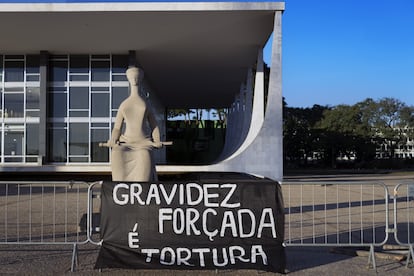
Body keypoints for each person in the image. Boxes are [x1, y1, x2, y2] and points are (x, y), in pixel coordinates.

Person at [108, 66, 162, 182]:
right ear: (128, 79)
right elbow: (117, 127)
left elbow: (154, 126)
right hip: (126, 141)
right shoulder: (124, 104)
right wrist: (113, 139)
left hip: (143, 143)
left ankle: (141, 193)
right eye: (132, 77)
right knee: (117, 153)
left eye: (137, 77)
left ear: (140, 79)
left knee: (144, 155)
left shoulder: (146, 104)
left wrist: (157, 140)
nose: (135, 79)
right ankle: (121, 190)